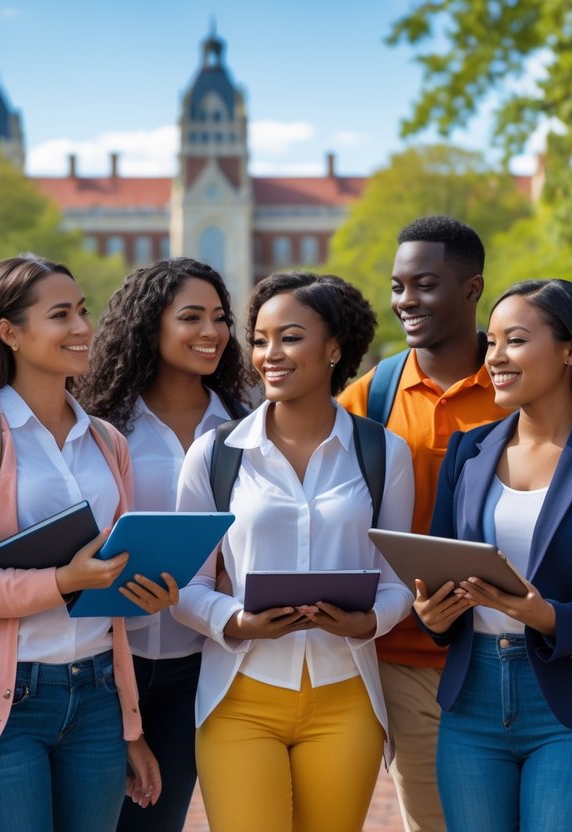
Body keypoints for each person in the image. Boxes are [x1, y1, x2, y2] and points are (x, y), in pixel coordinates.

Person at [0, 254, 176, 831]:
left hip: (96, 699)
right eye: (60, 314)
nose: (82, 328)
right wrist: (65, 581)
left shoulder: (108, 442)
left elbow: (113, 579)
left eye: (83, 311)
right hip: (3, 706)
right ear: (10, 333)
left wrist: (144, 591)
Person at [416, 279, 572, 831]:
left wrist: (548, 617)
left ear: (570, 349)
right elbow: (438, 571)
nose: (495, 358)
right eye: (491, 343)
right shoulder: (469, 450)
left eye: (516, 340)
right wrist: (432, 617)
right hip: (470, 703)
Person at [172, 272, 415, 832]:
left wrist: (370, 620)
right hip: (238, 696)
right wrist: (235, 621)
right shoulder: (216, 453)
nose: (269, 354)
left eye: (290, 336)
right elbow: (183, 586)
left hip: (346, 696)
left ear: (334, 348)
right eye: (259, 339)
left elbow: (398, 580)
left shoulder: (383, 453)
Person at [336, 215, 506, 832]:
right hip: (406, 661)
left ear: (472, 289)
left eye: (425, 284)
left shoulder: (522, 384)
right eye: (398, 285)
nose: (406, 300)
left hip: (512, 654)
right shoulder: (364, 401)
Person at [74, 257, 252, 832]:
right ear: (150, 325)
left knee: (157, 821)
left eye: (221, 318)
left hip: (201, 667)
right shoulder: (100, 424)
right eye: (192, 317)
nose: (212, 332)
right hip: (104, 663)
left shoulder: (247, 429)